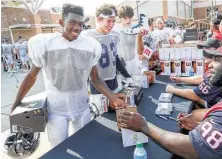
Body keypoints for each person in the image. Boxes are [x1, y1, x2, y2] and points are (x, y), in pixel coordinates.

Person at [119, 39, 222, 158]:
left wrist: (144, 126)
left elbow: (190, 149)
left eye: (217, 60)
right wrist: (202, 126)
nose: (210, 65)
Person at [11, 3, 125, 147]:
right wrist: (16, 102)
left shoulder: (90, 45)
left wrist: (112, 97)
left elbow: (95, 78)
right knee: (59, 151)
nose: (77, 27)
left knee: (85, 146)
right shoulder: (46, 44)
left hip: (82, 108)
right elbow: (32, 76)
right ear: (61, 22)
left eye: (80, 24)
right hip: (56, 111)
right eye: (72, 22)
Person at [82, 4, 132, 94]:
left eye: (113, 21)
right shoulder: (88, 37)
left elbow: (115, 58)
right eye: (108, 21)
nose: (112, 24)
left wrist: (126, 75)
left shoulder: (115, 35)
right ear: (99, 19)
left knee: (116, 106)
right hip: (97, 83)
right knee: (100, 107)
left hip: (113, 80)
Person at [166, 39, 222, 109]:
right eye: (203, 49)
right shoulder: (214, 67)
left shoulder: (218, 72)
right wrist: (180, 79)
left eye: (207, 50)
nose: (204, 53)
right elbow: (201, 78)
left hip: (216, 109)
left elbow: (195, 96)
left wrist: (172, 90)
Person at [114, 5, 146, 76]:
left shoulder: (137, 27)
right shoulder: (115, 29)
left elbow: (140, 51)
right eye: (125, 18)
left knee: (136, 84)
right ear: (120, 17)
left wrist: (140, 36)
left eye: (130, 17)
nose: (128, 20)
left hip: (134, 62)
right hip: (121, 63)